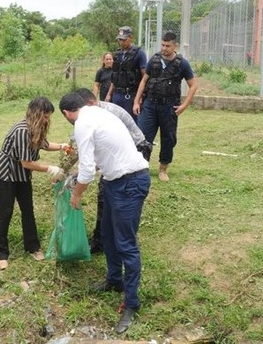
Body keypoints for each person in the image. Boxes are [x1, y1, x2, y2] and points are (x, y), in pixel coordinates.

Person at [59, 92, 150, 334]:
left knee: (126, 244)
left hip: (129, 183)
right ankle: (114, 280)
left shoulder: (82, 123)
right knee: (108, 235)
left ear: (67, 113)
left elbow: (88, 171)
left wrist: (76, 195)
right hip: (114, 181)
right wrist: (76, 175)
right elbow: (104, 153)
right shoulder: (99, 113)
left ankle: (132, 303)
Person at [0, 96, 67, 270]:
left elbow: (44, 144)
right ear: (37, 114)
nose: (48, 120)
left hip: (22, 176)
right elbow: (26, 163)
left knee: (28, 210)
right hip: (5, 175)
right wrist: (50, 169)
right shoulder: (22, 131)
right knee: (6, 211)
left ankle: (32, 246)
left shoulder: (35, 128)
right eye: (46, 116)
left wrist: (62, 146)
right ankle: (0, 253)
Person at [75, 88, 152, 254]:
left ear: (88, 104)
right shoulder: (94, 115)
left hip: (135, 152)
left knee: (111, 197)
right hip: (119, 156)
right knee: (106, 195)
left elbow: (111, 150)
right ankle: (105, 238)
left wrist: (79, 185)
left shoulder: (106, 113)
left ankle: (119, 238)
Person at [133, 31, 198, 182]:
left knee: (168, 138)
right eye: (162, 45)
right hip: (150, 105)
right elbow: (144, 81)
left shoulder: (182, 63)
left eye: (168, 45)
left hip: (169, 107)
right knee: (143, 138)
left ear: (175, 46)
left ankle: (163, 169)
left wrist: (184, 106)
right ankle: (141, 168)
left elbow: (193, 85)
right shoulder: (154, 60)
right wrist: (137, 101)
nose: (164, 48)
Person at [106, 26, 148, 122]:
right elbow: (115, 76)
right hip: (117, 94)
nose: (121, 42)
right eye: (119, 39)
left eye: (124, 39)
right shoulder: (117, 54)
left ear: (131, 38)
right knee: (117, 122)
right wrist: (109, 94)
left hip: (131, 95)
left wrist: (140, 97)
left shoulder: (139, 53)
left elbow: (145, 77)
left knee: (131, 123)